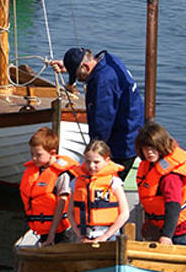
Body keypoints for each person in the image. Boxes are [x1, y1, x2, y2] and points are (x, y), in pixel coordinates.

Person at [51, 48, 144, 179]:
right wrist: (69, 65)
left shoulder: (103, 82)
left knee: (103, 183)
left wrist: (94, 151)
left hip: (122, 142)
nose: (79, 79)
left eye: (78, 75)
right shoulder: (107, 60)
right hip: (133, 129)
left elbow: (103, 120)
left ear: (85, 66)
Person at [135, 122, 186, 245]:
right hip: (160, 224)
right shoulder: (149, 167)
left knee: (176, 261)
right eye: (145, 148)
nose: (149, 152)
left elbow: (173, 206)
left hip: (181, 227)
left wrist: (166, 235)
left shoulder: (170, 177)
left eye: (153, 147)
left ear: (161, 146)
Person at [19, 127, 78, 246]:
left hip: (62, 232)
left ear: (52, 153)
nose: (34, 158)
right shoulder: (37, 171)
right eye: (32, 154)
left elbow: (61, 205)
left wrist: (51, 234)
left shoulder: (61, 174)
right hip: (44, 230)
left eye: (38, 155)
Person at [68, 140, 130, 243]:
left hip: (109, 237)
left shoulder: (114, 182)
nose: (91, 166)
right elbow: (70, 213)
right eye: (88, 161)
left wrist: (105, 236)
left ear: (106, 160)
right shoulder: (76, 182)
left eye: (96, 162)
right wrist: (80, 235)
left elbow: (124, 213)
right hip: (84, 237)